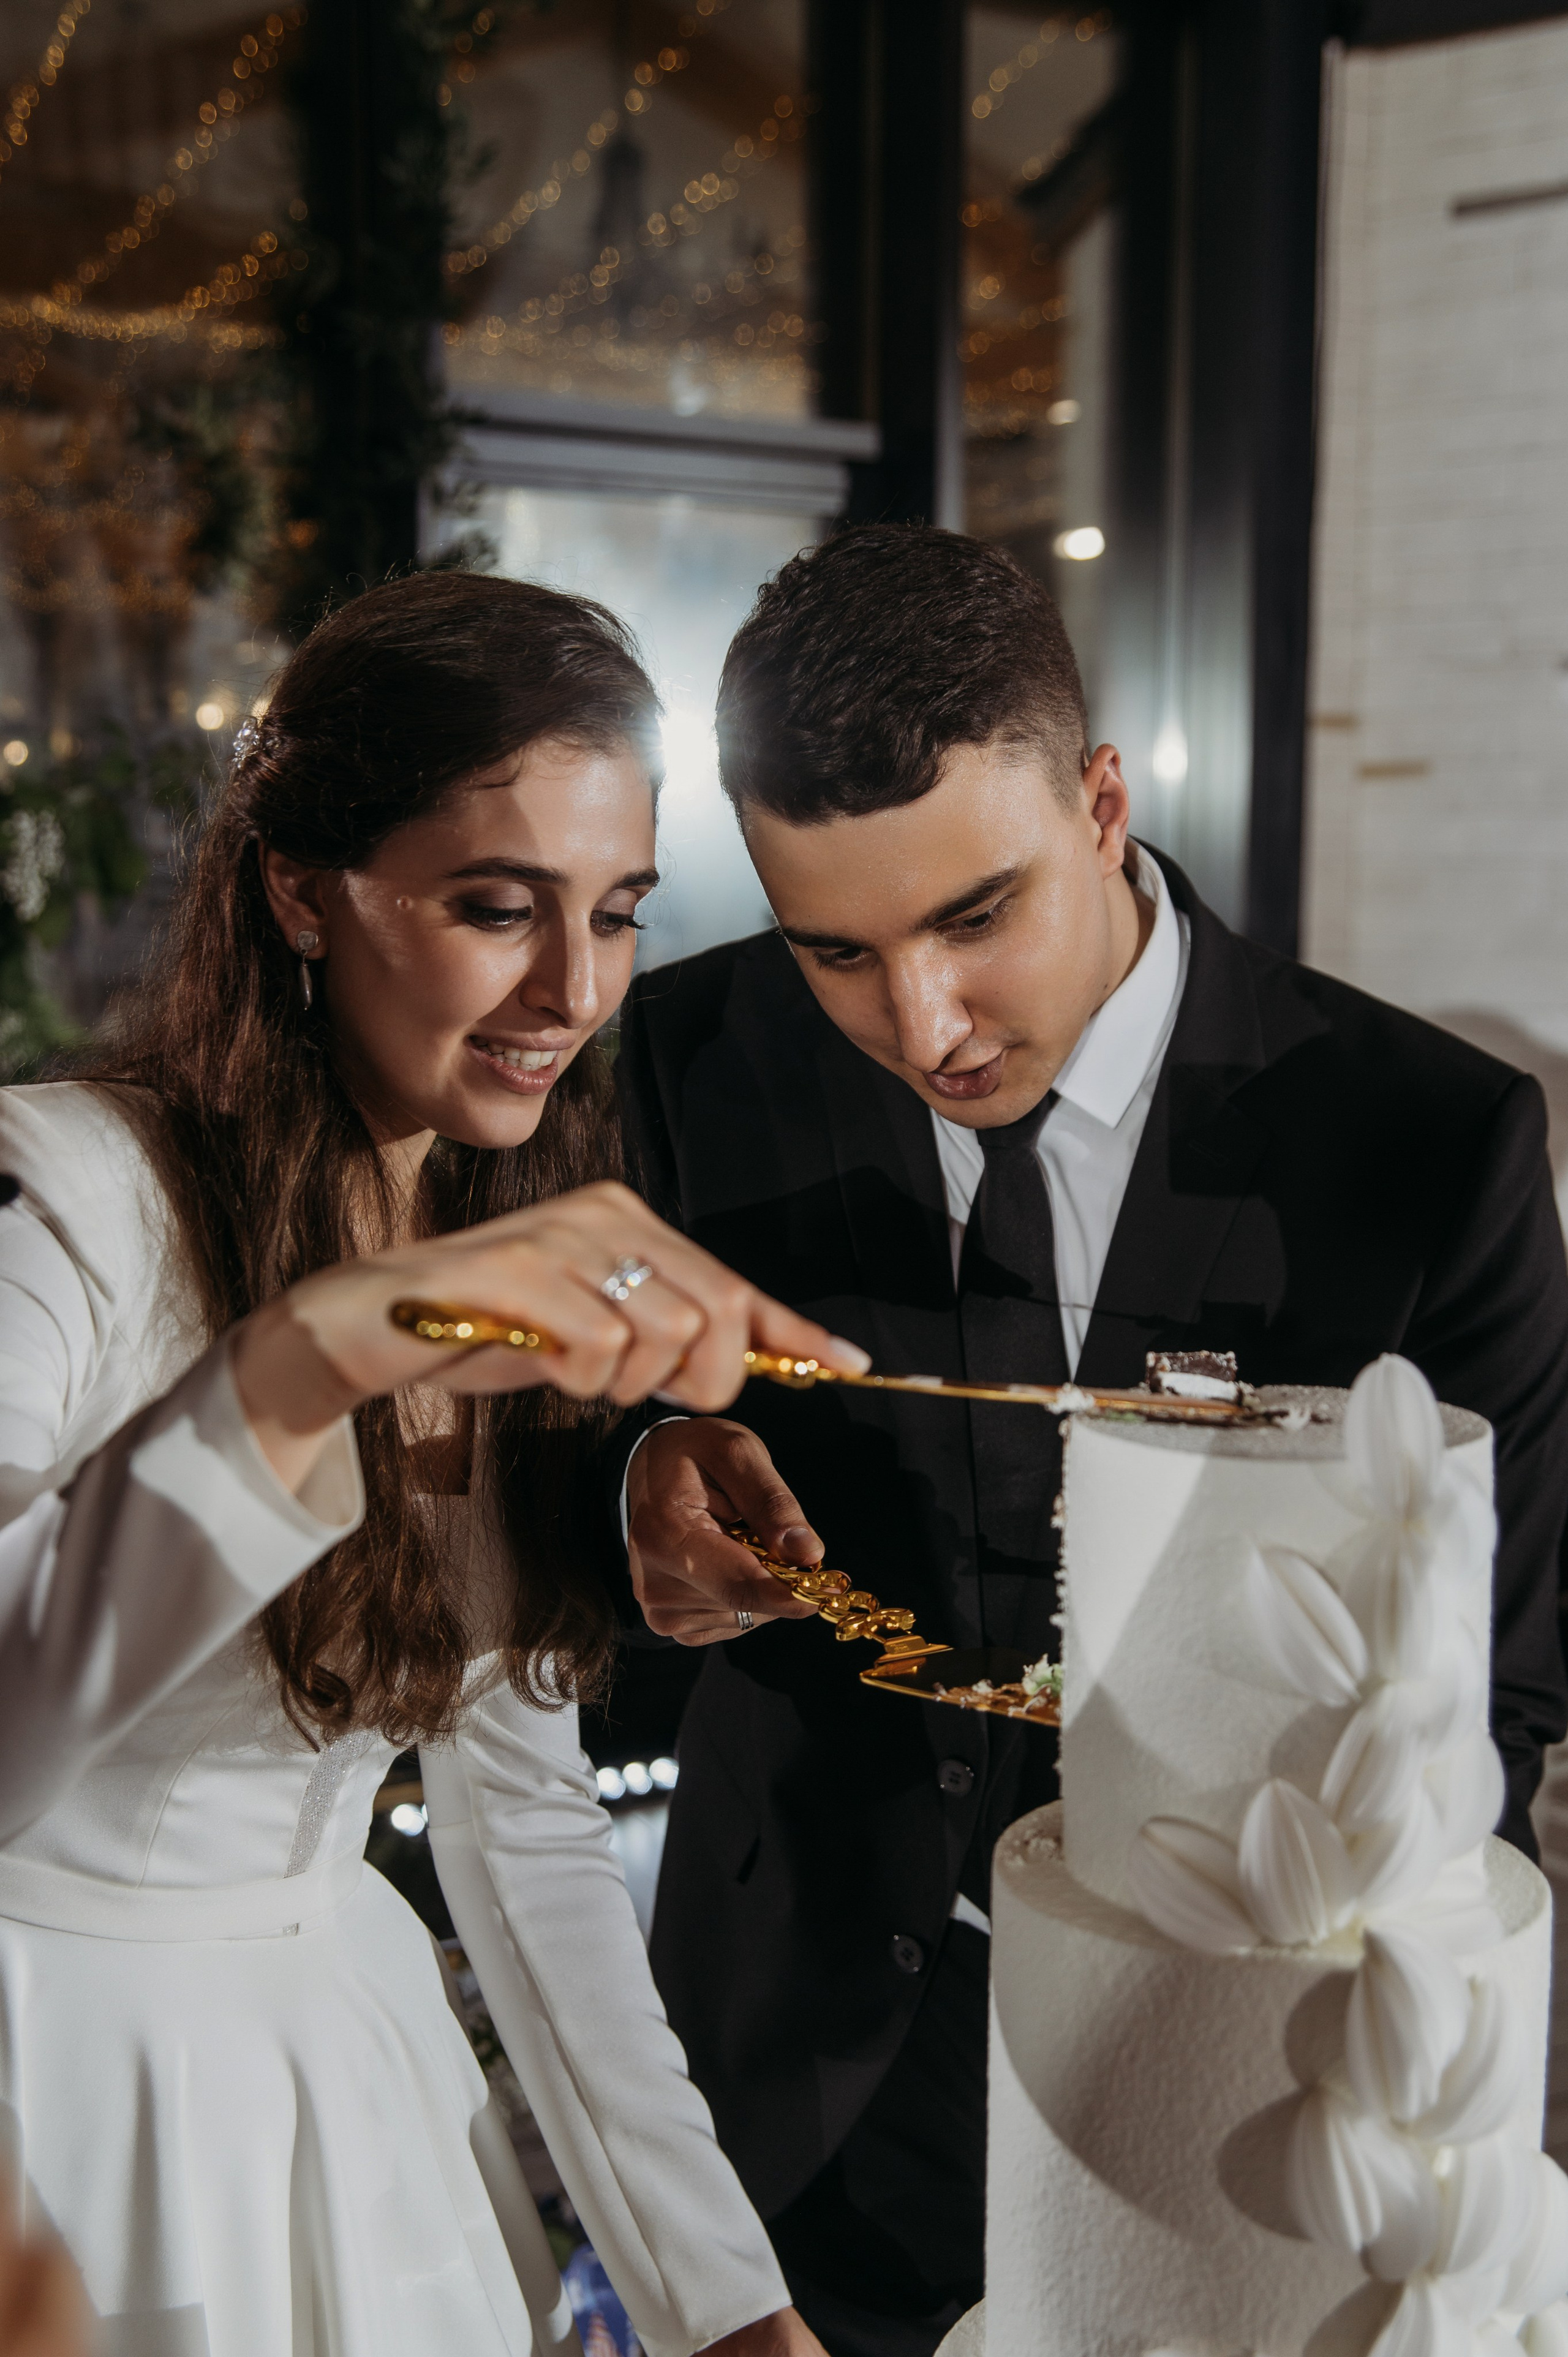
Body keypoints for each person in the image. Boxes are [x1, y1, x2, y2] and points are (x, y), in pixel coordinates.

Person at [612, 524, 1568, 2357]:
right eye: (835, 950)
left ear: (1105, 802)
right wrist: (632, 1495)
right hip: (800, 2084)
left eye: (977, 915)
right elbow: (572, 1493)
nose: (923, 1025)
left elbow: (1500, 1700)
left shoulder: (1428, 1150)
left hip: (1239, 2121)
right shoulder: (690, 1063)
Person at [0, 570, 865, 2357]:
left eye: (619, 916)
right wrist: (318, 1353)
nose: (574, 989)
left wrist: (723, 2302)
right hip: (69, 2094)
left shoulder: (523, 1227)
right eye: (497, 908)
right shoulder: (72, 1200)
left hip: (357, 2093)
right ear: (301, 889)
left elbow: (529, 1837)